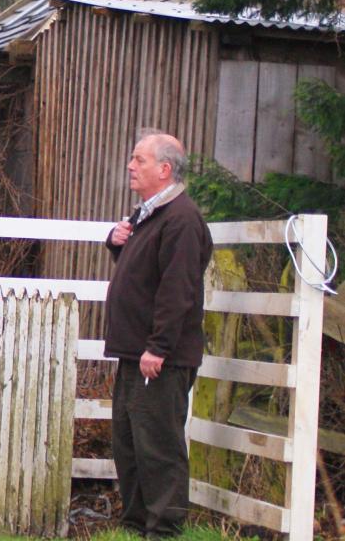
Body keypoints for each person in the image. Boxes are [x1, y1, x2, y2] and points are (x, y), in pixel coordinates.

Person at [104, 128, 213, 539]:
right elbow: (144, 271)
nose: (131, 166)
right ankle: (134, 525)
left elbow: (177, 289)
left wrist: (159, 347)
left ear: (165, 169)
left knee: (159, 445)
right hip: (136, 352)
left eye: (140, 160)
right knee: (128, 441)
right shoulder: (148, 213)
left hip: (160, 358)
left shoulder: (182, 220)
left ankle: (164, 530)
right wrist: (117, 242)